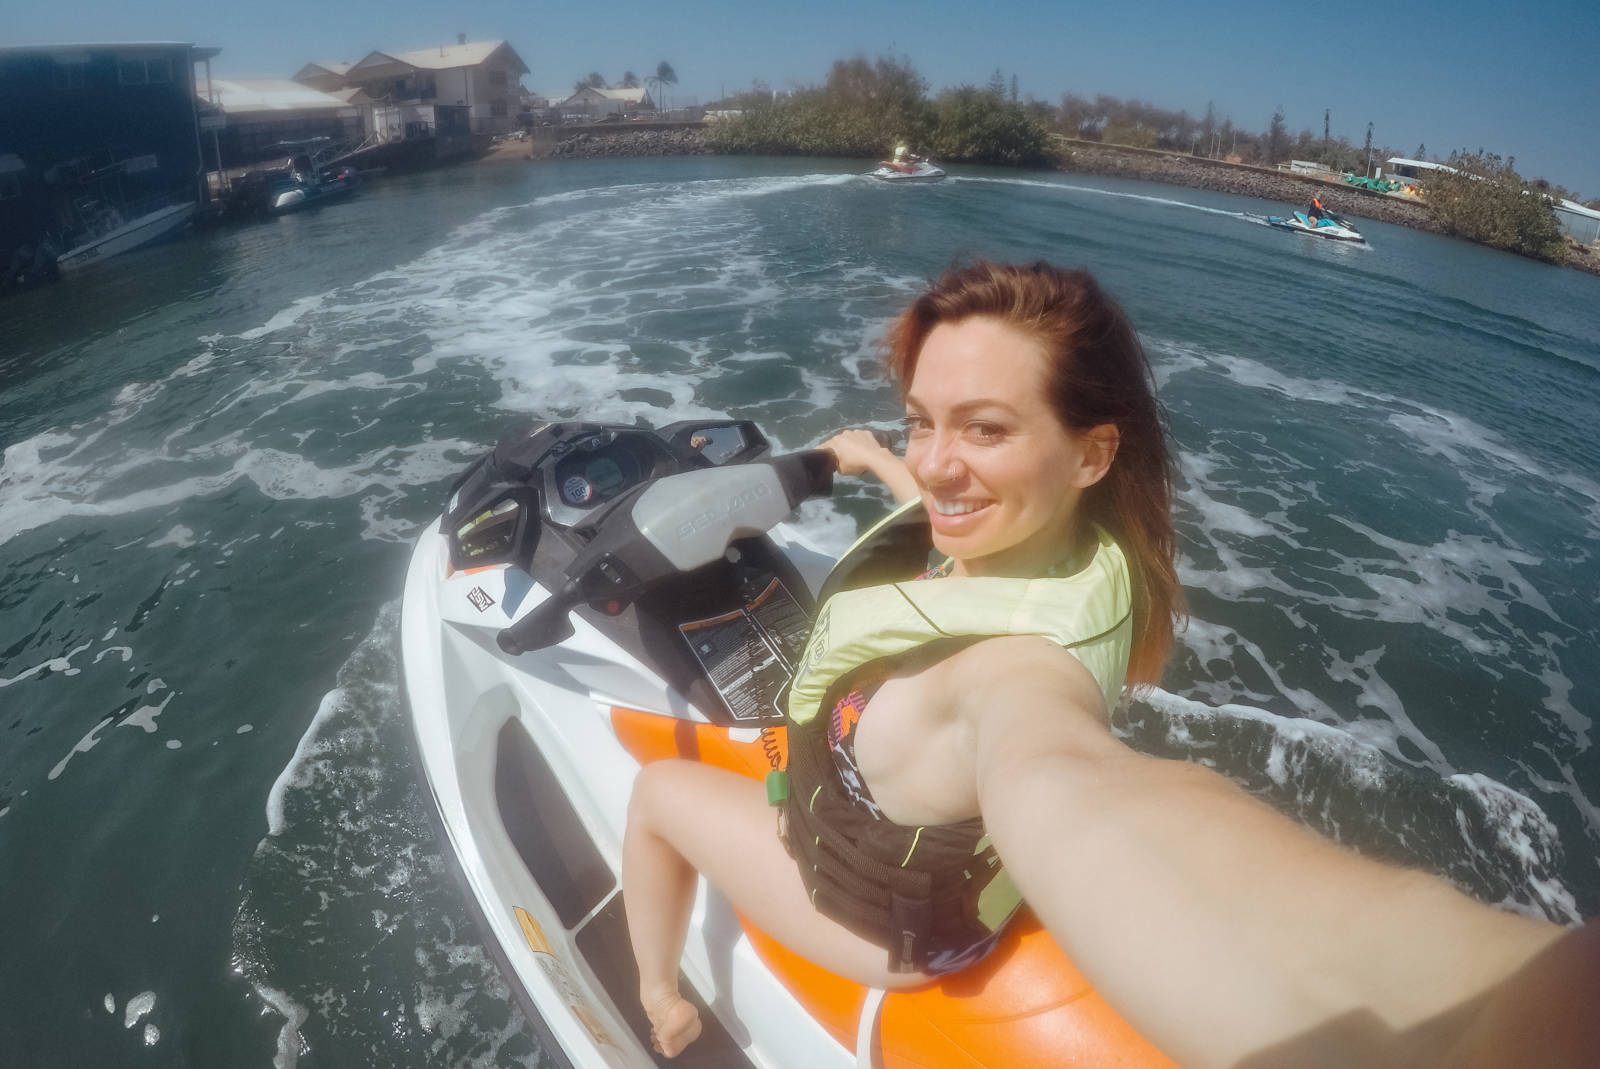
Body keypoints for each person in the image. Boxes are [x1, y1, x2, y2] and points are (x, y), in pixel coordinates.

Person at [621, 260, 1595, 1066]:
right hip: (952, 866)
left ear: (1090, 454)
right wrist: (875, 459)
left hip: (880, 917)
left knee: (661, 794)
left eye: (986, 428)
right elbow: (944, 514)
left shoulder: (1011, 682)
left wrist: (1476, 1025)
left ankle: (659, 998)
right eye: (924, 419)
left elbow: (1068, 781)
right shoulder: (1091, 552)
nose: (935, 463)